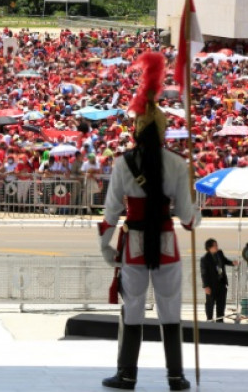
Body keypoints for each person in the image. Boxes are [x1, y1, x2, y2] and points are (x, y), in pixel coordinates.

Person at [98, 53, 198, 391]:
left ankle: (127, 374)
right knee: (171, 312)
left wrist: (105, 246)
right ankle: (176, 376)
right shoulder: (178, 164)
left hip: (136, 246)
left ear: (137, 130)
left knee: (133, 310)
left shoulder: (123, 164)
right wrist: (195, 216)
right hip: (167, 244)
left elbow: (111, 213)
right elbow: (187, 217)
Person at [200, 238, 238, 322]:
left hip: (221, 283)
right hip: (211, 286)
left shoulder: (219, 253)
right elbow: (204, 273)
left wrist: (232, 263)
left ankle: (220, 320)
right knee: (210, 304)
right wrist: (206, 286)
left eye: (217, 245)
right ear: (209, 247)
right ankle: (209, 320)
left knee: (221, 304)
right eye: (215, 245)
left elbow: (225, 261)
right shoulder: (205, 259)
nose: (217, 247)